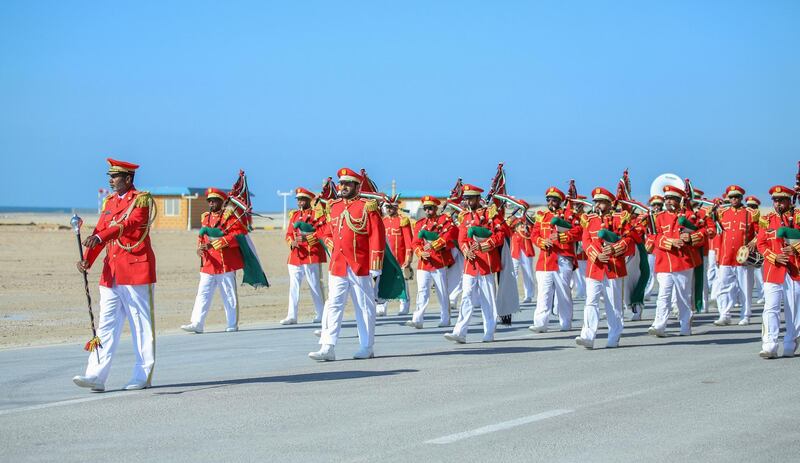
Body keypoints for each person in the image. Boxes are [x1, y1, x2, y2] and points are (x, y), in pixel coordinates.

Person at [72, 158, 156, 392]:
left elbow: (131, 223)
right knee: (106, 325)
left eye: (115, 176)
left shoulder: (141, 199)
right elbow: (99, 231)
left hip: (136, 268)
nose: (110, 180)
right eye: (109, 176)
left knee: (141, 325)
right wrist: (88, 259)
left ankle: (143, 374)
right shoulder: (109, 202)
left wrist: (101, 237)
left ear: (128, 179)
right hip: (112, 272)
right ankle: (96, 375)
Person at [308, 168, 385, 361]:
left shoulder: (366, 207)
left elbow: (377, 234)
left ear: (357, 186)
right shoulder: (333, 206)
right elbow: (325, 230)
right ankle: (328, 347)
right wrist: (328, 241)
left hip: (359, 264)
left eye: (348, 184)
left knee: (364, 306)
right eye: (341, 183)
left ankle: (367, 346)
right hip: (338, 264)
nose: (343, 187)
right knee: (333, 304)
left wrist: (376, 263)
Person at [444, 184, 506, 343]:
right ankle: (460, 332)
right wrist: (466, 250)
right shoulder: (464, 217)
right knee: (466, 297)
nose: (467, 201)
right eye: (465, 198)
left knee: (488, 299)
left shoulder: (490, 214)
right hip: (470, 264)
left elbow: (500, 236)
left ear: (478, 198)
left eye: (470, 198)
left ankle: (489, 331)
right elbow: (461, 238)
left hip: (486, 262)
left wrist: (484, 246)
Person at [181, 188, 247, 334]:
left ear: (221, 202)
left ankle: (232, 323)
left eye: (214, 200)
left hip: (225, 263)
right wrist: (199, 249)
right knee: (202, 293)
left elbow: (238, 236)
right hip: (208, 263)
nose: (211, 203)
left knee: (228, 294)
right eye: (209, 201)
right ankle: (197, 323)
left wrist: (218, 242)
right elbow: (201, 237)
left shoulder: (229, 218)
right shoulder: (205, 217)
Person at [645, 185, 706, 337]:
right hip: (664, 262)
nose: (668, 201)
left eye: (672, 199)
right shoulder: (658, 217)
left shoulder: (691, 216)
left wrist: (691, 237)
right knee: (663, 295)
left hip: (683, 262)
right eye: (666, 199)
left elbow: (704, 233)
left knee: (683, 297)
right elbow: (653, 237)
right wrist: (669, 242)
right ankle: (659, 325)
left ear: (679, 200)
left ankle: (685, 326)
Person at [575, 187, 631, 349]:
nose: (597, 205)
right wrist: (596, 255)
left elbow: (629, 240)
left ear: (609, 203)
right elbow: (586, 241)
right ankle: (587, 336)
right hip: (595, 267)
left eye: (601, 202)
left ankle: (614, 336)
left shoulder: (620, 219)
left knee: (613, 304)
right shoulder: (589, 219)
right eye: (596, 202)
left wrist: (615, 248)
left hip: (613, 267)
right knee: (590, 301)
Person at [529, 187, 583, 333]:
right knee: (543, 293)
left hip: (563, 259)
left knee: (563, 292)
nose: (551, 202)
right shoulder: (542, 216)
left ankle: (565, 322)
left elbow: (579, 232)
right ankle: (540, 323)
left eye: (554, 199)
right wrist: (541, 242)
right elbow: (534, 234)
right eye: (548, 199)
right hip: (545, 259)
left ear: (560, 201)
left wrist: (562, 237)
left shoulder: (569, 215)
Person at [756, 185, 800, 358]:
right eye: (775, 200)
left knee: (793, 308)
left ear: (789, 201)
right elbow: (761, 243)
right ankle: (769, 345)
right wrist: (774, 257)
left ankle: (791, 341)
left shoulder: (797, 216)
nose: (778, 203)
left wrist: (796, 248)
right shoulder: (766, 219)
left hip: (794, 269)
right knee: (770, 307)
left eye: (781, 200)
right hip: (772, 270)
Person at [407, 196, 458, 328]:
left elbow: (450, 236)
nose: (428, 210)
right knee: (422, 290)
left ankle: (445, 318)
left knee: (442, 292)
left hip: (439, 262)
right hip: (424, 263)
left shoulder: (445, 221)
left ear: (436, 208)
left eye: (430, 208)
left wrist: (435, 244)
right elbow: (415, 242)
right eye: (426, 208)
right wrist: (419, 252)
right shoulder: (420, 224)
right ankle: (417, 319)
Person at [712, 185, 758, 326]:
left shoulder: (750, 213)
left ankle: (746, 315)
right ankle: (724, 314)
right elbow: (718, 235)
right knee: (724, 286)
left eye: (736, 197)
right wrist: (718, 255)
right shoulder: (722, 213)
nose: (734, 199)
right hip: (726, 256)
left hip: (743, 257)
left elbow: (760, 232)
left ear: (741, 198)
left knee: (745, 287)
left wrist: (753, 242)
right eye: (731, 197)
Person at [281, 187, 327, 325]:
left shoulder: (316, 214)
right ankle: (292, 315)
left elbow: (322, 231)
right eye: (298, 199)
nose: (300, 202)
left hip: (311, 255)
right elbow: (289, 233)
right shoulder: (294, 216)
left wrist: (308, 239)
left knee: (314, 285)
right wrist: (291, 242)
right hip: (296, 255)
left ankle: (321, 313)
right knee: (293, 286)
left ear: (309, 200)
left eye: (303, 199)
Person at [376, 195, 413, 316]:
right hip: (385, 260)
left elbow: (408, 242)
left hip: (400, 259)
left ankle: (404, 305)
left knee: (402, 283)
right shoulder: (382, 222)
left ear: (396, 208)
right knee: (383, 282)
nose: (389, 210)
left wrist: (408, 259)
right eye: (387, 207)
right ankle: (382, 305)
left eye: (391, 207)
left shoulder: (403, 220)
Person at [508, 199, 536, 304]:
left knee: (527, 272)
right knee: (513, 272)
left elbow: (533, 232)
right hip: (515, 248)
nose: (517, 209)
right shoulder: (513, 219)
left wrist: (528, 227)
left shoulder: (529, 219)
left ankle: (528, 295)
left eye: (519, 207)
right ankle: (512, 294)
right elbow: (508, 229)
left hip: (526, 248)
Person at [643, 195, 664, 301]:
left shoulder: (665, 216)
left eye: (659, 204)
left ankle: (663, 292)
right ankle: (647, 293)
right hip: (651, 247)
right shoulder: (648, 216)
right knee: (650, 271)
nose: (657, 207)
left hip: (662, 246)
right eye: (654, 205)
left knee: (663, 273)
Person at [746, 195, 766, 303]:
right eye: (749, 205)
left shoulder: (758, 217)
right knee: (752, 275)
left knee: (759, 273)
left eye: (753, 206)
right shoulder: (746, 216)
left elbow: (760, 232)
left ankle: (762, 295)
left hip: (758, 248)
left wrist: (754, 241)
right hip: (749, 249)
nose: (750, 208)